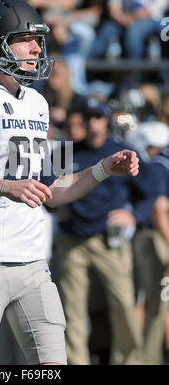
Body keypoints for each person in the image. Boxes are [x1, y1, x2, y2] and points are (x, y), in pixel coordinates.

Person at [0, 0, 140, 365]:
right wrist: (3, 186)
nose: (36, 47)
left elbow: (54, 191)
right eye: (24, 38)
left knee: (52, 364)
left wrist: (105, 168)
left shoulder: (37, 103)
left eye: (37, 39)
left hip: (33, 263)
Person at [54, 97, 161, 364]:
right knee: (72, 311)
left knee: (124, 306)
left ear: (106, 121)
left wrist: (133, 216)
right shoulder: (66, 151)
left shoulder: (121, 151)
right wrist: (54, 210)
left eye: (98, 117)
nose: (92, 123)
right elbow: (46, 191)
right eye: (87, 117)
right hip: (72, 240)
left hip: (108, 241)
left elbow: (152, 190)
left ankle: (130, 362)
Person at [124, 120, 169, 364]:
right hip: (156, 237)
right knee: (155, 302)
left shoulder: (157, 163)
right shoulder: (160, 165)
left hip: (151, 236)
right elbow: (159, 208)